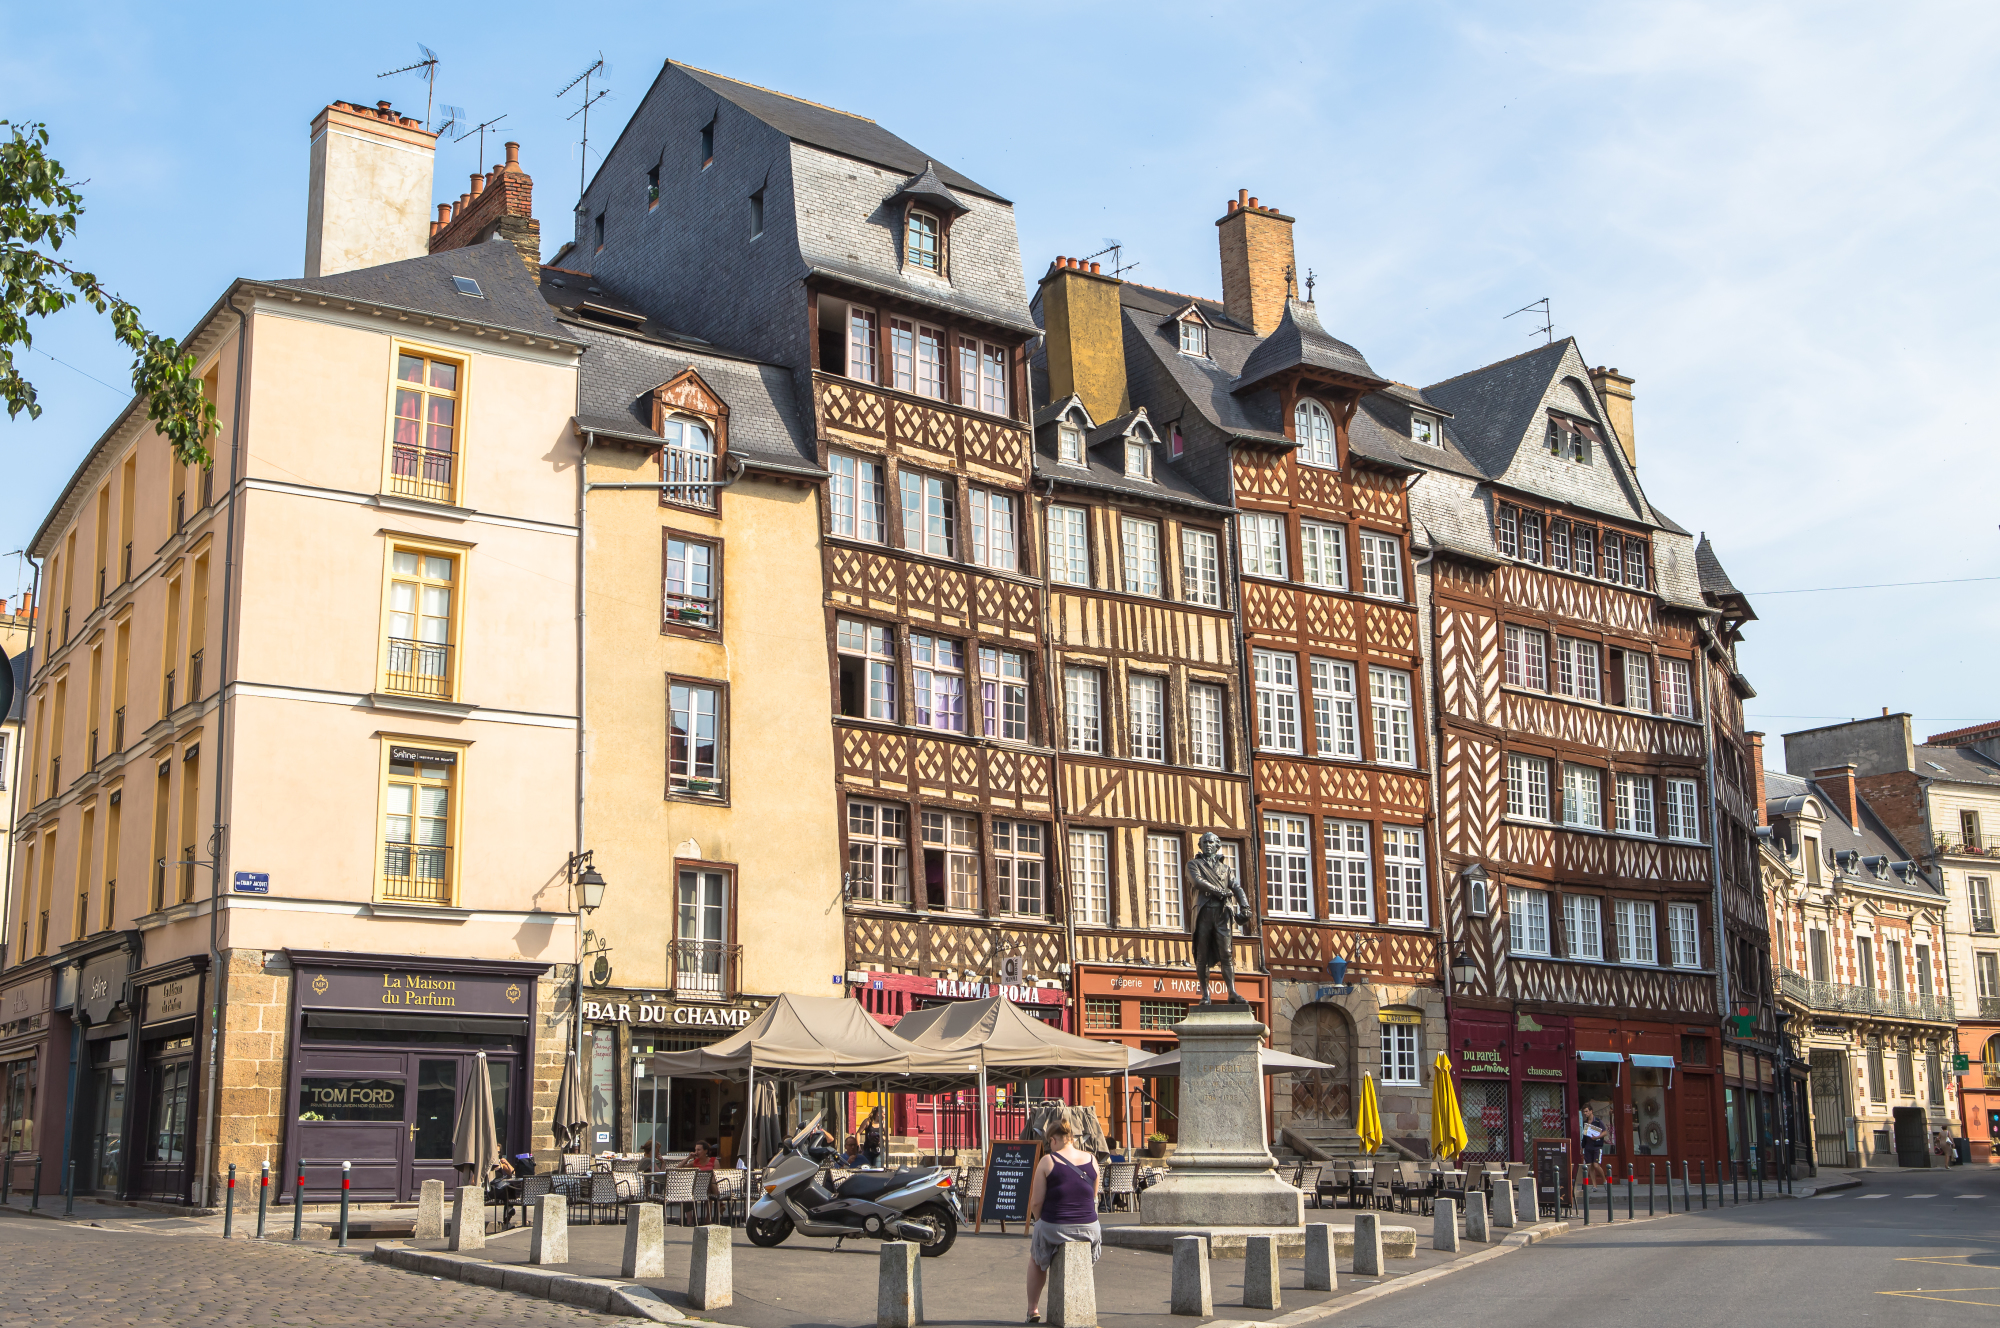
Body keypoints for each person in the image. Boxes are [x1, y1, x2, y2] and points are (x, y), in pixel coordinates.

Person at [1024, 1114, 1101, 1325]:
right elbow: (1093, 1196)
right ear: (1073, 1139)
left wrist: (1040, 1221)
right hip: (1089, 1228)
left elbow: (1036, 1203)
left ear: (1053, 1140)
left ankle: (1032, 1309)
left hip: (1056, 1225)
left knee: (1036, 1259)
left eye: (1050, 1143)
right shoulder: (1092, 1159)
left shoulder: (1048, 1161)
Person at [1578, 1106, 1609, 1185]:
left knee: (1596, 1165)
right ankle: (1594, 1185)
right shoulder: (1585, 1123)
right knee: (1590, 1166)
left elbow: (1605, 1132)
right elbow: (1584, 1136)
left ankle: (1604, 1180)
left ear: (1591, 1111)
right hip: (1588, 1146)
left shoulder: (1598, 1121)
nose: (1585, 1113)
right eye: (1584, 1112)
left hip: (1596, 1146)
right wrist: (1582, 1146)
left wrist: (1598, 1137)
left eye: (1586, 1111)